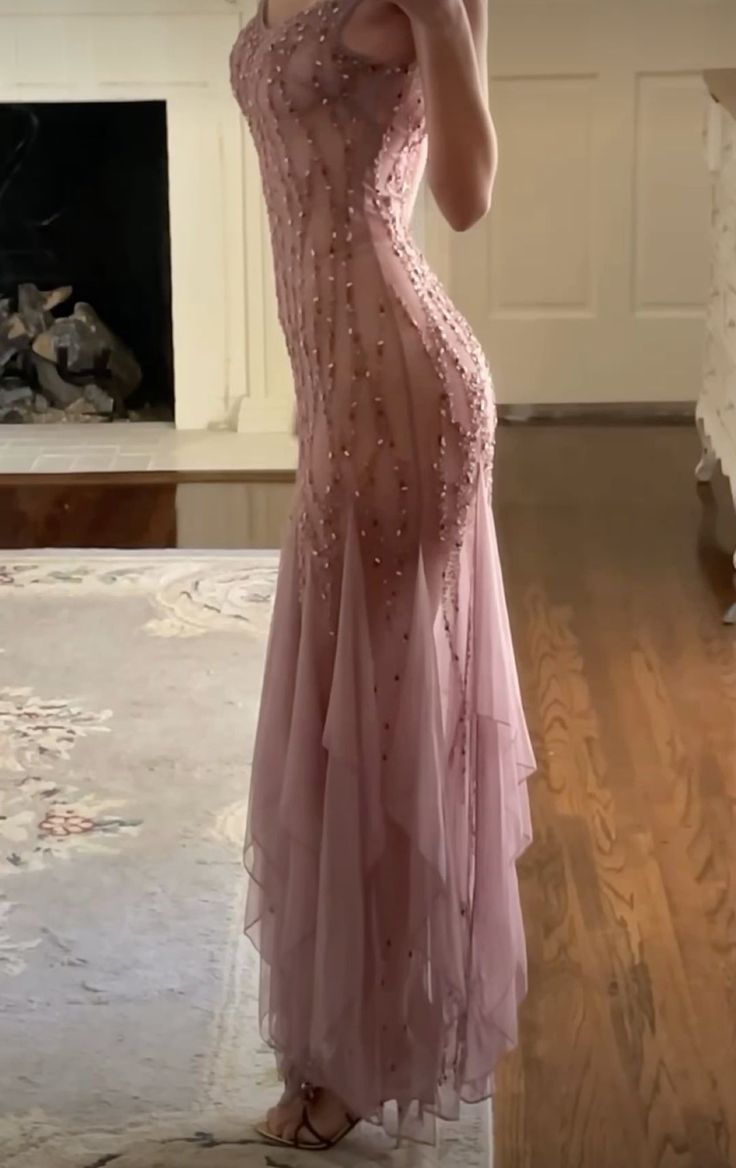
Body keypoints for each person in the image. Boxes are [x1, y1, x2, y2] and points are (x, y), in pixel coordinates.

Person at [230, 0, 535, 1150]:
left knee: (386, 719)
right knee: (338, 707)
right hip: (334, 389)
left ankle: (364, 1053)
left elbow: (464, 195)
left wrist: (446, 23)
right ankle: (340, 1036)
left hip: (401, 389)